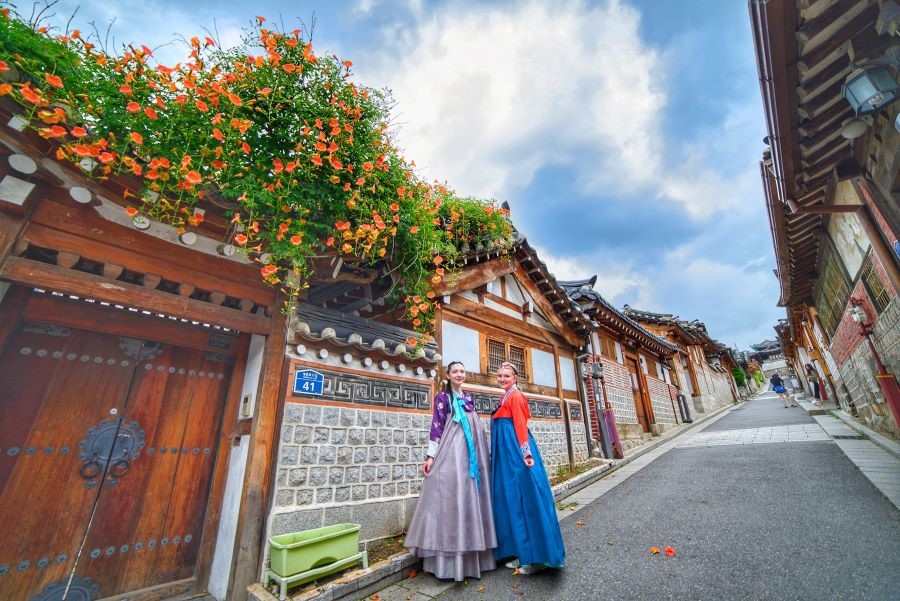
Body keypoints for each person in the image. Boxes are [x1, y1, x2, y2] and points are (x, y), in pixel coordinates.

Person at [404, 361, 496, 580]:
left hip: (472, 459)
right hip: (452, 456)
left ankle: (474, 555)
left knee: (471, 498)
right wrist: (430, 456)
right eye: (455, 371)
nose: (460, 374)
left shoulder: (469, 398)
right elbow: (436, 428)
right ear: (448, 375)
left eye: (462, 371)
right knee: (450, 498)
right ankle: (448, 558)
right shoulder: (443, 398)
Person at [491, 361, 565, 574]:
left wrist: (527, 454)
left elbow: (520, 427)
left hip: (516, 453)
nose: (503, 379)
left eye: (507, 376)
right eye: (500, 376)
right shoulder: (507, 396)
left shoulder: (516, 396)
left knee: (526, 499)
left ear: (515, 378)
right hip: (507, 453)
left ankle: (536, 557)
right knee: (512, 499)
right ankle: (522, 552)